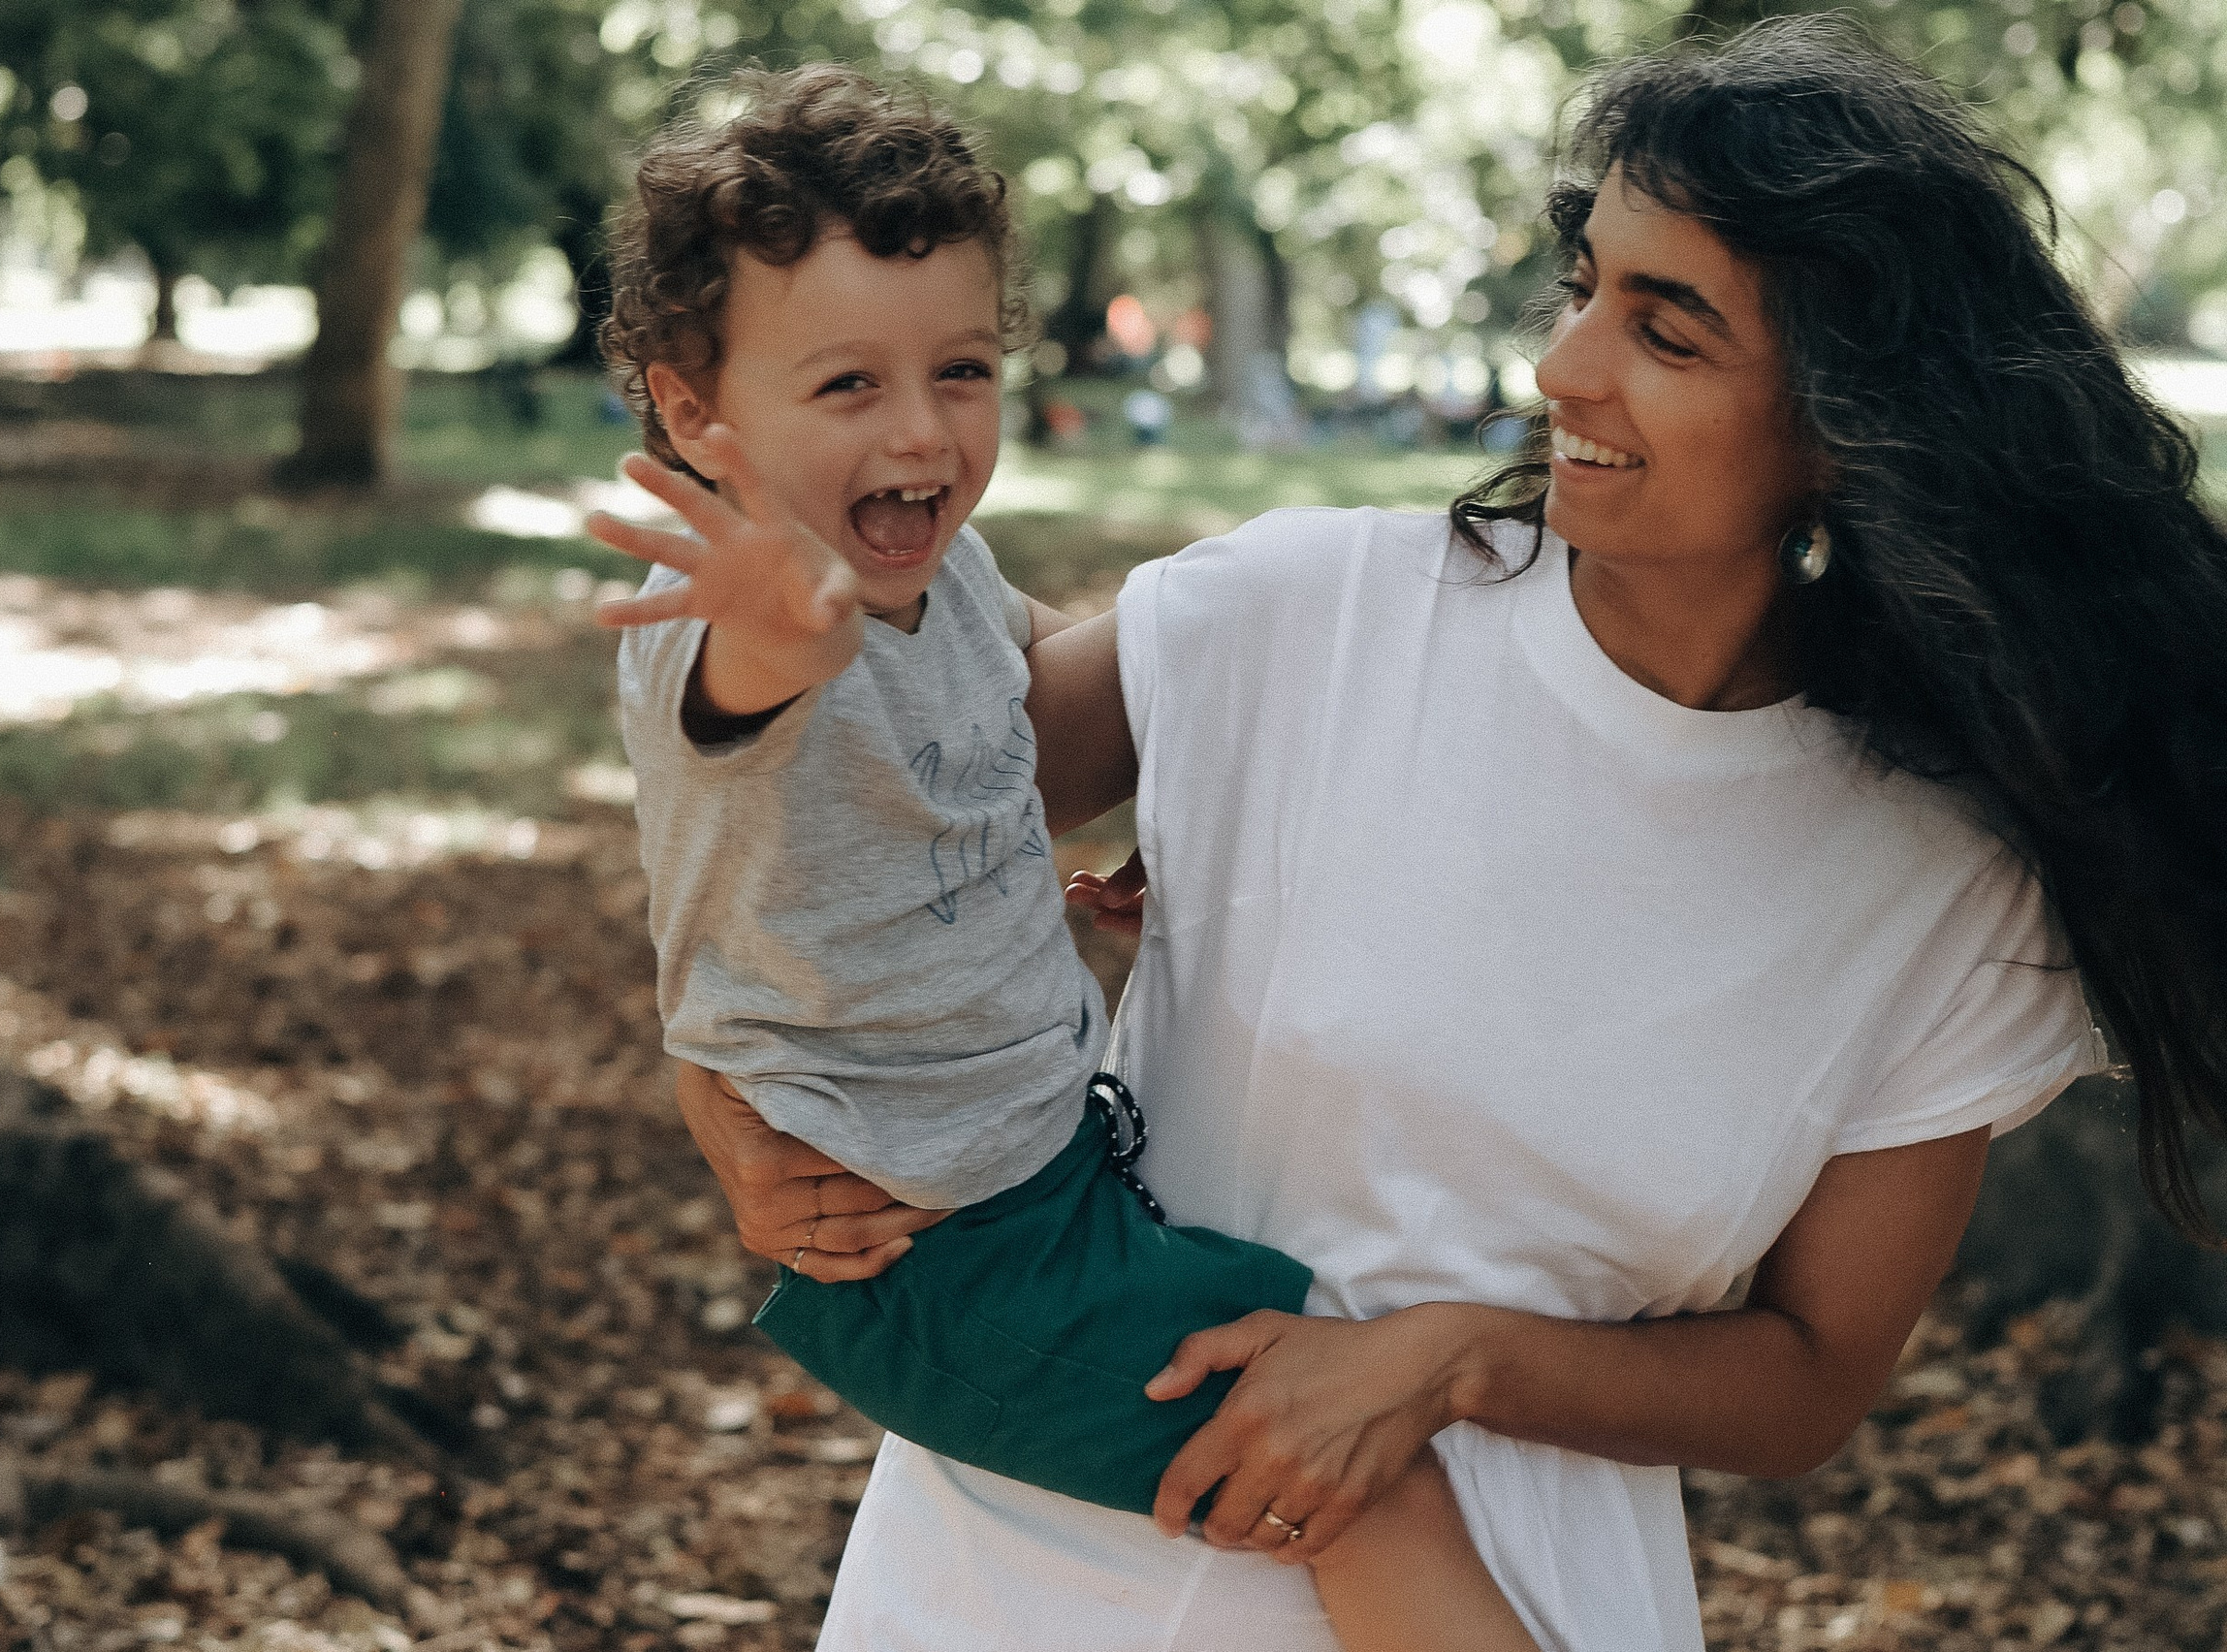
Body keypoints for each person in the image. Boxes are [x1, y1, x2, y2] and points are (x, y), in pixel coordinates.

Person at [670, 18, 2227, 1649]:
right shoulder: (1311, 613)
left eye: (1668, 332)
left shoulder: (1944, 883)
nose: (1564, 370)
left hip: (1525, 1601)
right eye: (1585, 287)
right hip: (1033, 1577)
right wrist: (717, 1089)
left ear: (1849, 424)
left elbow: (1806, 1383)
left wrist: (1449, 1359)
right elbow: (830, 819)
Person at [586, 65, 1540, 1651]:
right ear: (696, 412)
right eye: (845, 389)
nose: (921, 432)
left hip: (1048, 1178)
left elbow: (1014, 717)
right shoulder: (733, 619)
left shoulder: (946, 577)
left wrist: (1183, 832)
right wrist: (769, 622)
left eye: (961, 372)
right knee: (1342, 1449)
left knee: (1332, 1369)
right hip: (937, 1255)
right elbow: (740, 707)